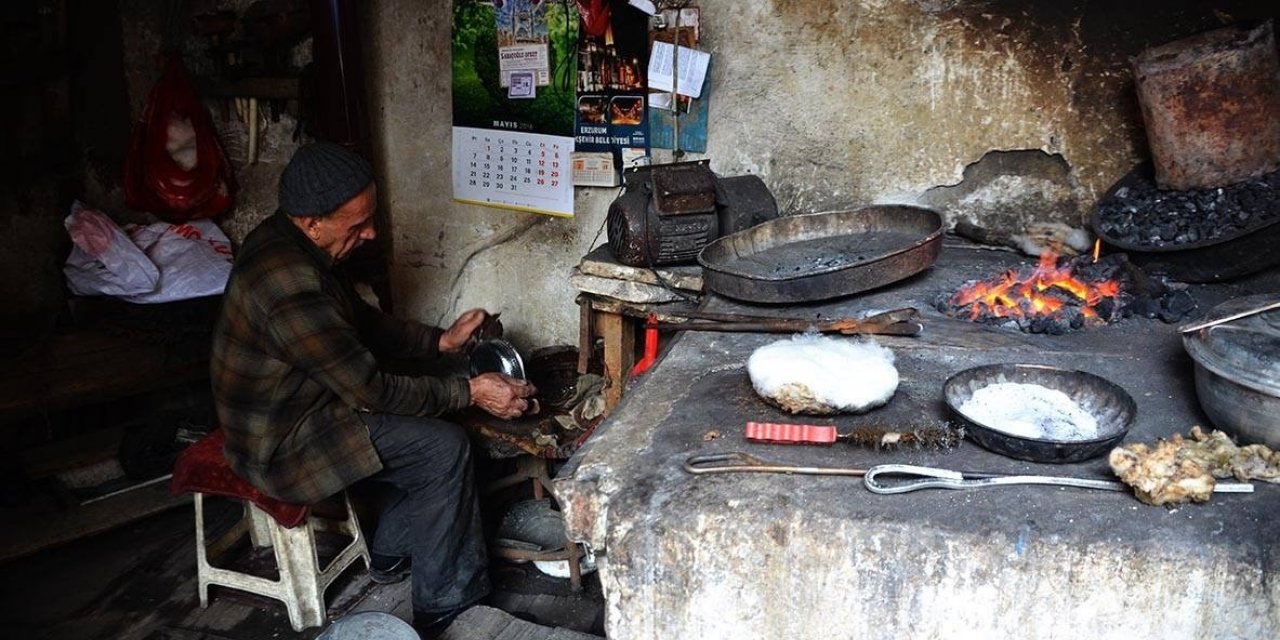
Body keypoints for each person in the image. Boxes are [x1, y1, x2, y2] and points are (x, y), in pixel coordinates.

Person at [210, 141, 536, 635]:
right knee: (443, 447)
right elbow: (372, 391)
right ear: (312, 221)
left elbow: (359, 323)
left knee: (432, 415)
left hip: (307, 404)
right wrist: (471, 392)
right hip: (280, 443)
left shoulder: (293, 242)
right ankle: (445, 604)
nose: (371, 233)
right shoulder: (288, 285)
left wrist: (441, 341)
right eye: (357, 225)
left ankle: (389, 553)